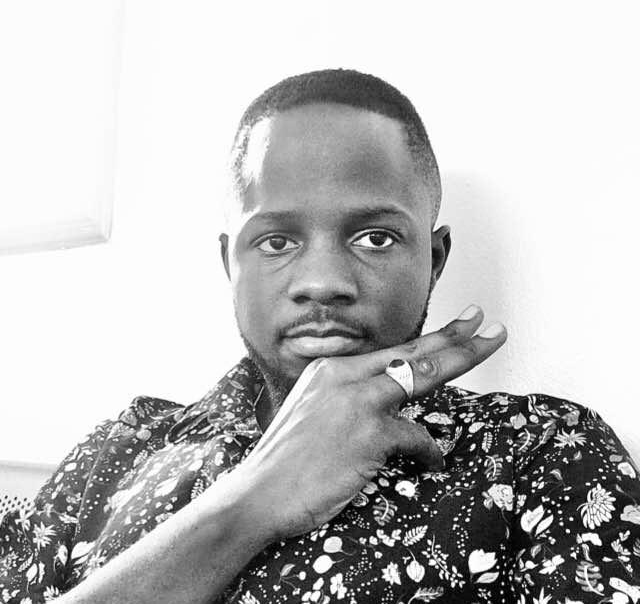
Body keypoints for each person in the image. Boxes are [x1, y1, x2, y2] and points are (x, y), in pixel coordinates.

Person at [1, 69, 639, 604]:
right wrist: (253, 500)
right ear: (230, 263)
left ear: (435, 259)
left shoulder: (543, 450)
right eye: (277, 241)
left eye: (375, 238)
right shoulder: (121, 447)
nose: (324, 283)